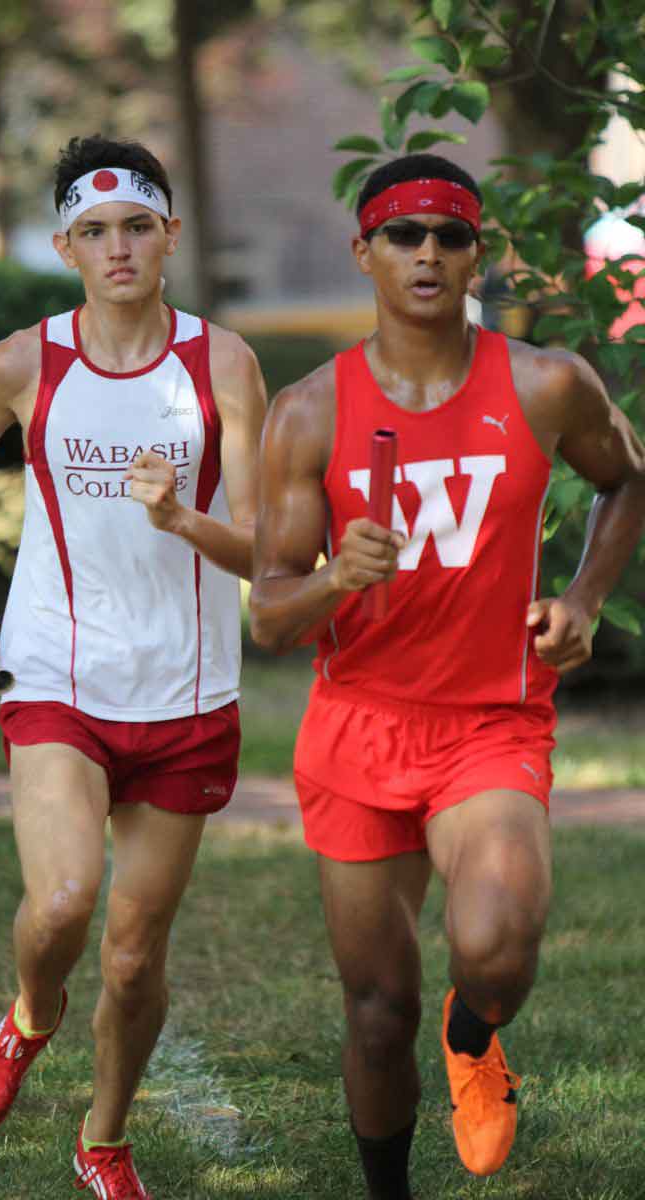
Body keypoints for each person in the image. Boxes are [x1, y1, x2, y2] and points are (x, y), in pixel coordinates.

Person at [249, 152, 645, 1199]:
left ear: (480, 254)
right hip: (357, 728)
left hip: (489, 721)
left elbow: (623, 482)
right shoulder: (306, 412)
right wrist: (337, 575)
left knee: (496, 946)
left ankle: (473, 1034)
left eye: (449, 235)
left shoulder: (543, 382)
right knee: (375, 1011)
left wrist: (583, 600)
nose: (426, 253)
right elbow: (269, 614)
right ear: (363, 253)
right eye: (401, 234)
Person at [0, 133, 266, 1198]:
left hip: (188, 695)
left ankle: (103, 1139)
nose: (117, 247)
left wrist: (181, 517)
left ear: (169, 234)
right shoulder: (24, 362)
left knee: (131, 956)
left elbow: (260, 546)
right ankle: (29, 1020)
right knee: (67, 901)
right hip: (55, 681)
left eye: (137, 226)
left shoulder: (223, 364)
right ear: (63, 245)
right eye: (94, 231)